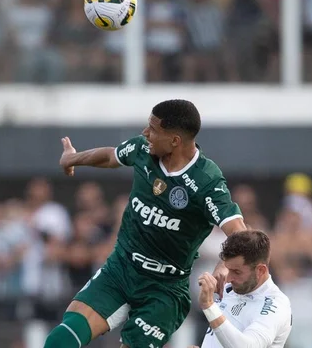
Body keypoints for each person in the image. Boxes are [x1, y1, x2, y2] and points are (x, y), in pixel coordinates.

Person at [45, 99, 248, 348]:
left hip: (164, 290)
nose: (145, 133)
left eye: (153, 129)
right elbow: (111, 156)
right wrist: (73, 158)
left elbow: (239, 233)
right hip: (121, 268)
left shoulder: (206, 181)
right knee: (61, 339)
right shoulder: (143, 150)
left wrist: (223, 265)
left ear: (175, 140)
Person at [193, 230, 292, 348]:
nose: (229, 279)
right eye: (228, 269)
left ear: (260, 270)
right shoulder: (230, 289)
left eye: (236, 272)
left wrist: (209, 306)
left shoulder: (276, 305)